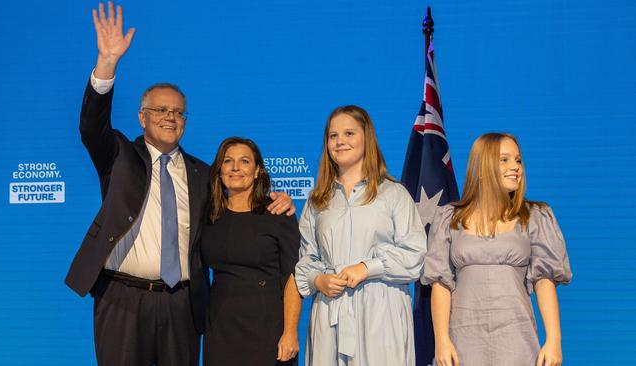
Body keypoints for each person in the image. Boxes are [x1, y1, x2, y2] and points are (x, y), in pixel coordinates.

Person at [64, 3, 293, 365]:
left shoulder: (204, 173)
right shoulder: (118, 155)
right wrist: (106, 64)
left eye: (177, 112)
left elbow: (238, 205)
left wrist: (276, 202)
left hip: (181, 305)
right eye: (160, 110)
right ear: (142, 117)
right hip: (122, 299)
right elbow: (91, 125)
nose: (170, 117)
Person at [421, 132, 572, 366]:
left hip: (517, 338)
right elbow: (440, 283)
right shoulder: (448, 218)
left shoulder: (535, 216)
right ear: (482, 167)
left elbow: (544, 282)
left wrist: (554, 341)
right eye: (505, 160)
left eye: (518, 160)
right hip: (463, 340)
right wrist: (442, 340)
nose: (515, 167)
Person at [295, 105, 427, 366]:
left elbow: (415, 255)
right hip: (330, 312)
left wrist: (368, 267)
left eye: (349, 133)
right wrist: (318, 279)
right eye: (333, 136)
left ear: (367, 139)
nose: (340, 141)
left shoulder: (393, 194)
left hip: (382, 312)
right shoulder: (318, 200)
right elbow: (306, 259)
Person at [201, 137, 302, 365]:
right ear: (219, 170)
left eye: (244, 161)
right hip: (220, 328)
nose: (236, 167)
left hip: (267, 329)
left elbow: (293, 277)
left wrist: (290, 332)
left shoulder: (277, 213)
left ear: (257, 171)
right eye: (228, 161)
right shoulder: (208, 215)